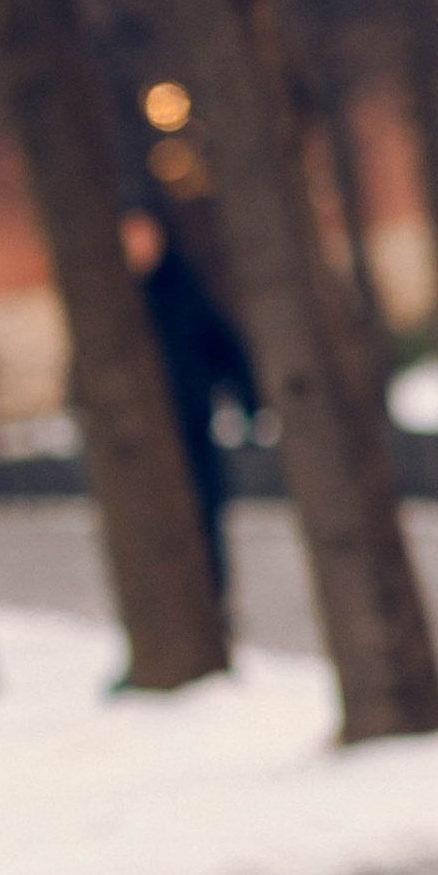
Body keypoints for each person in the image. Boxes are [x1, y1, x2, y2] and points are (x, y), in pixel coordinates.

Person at [123, 209, 261, 602]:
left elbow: (223, 346)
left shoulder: (182, 290)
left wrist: (249, 404)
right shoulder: (120, 303)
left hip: (193, 423)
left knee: (205, 515)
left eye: (144, 237)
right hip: (144, 438)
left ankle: (215, 602)